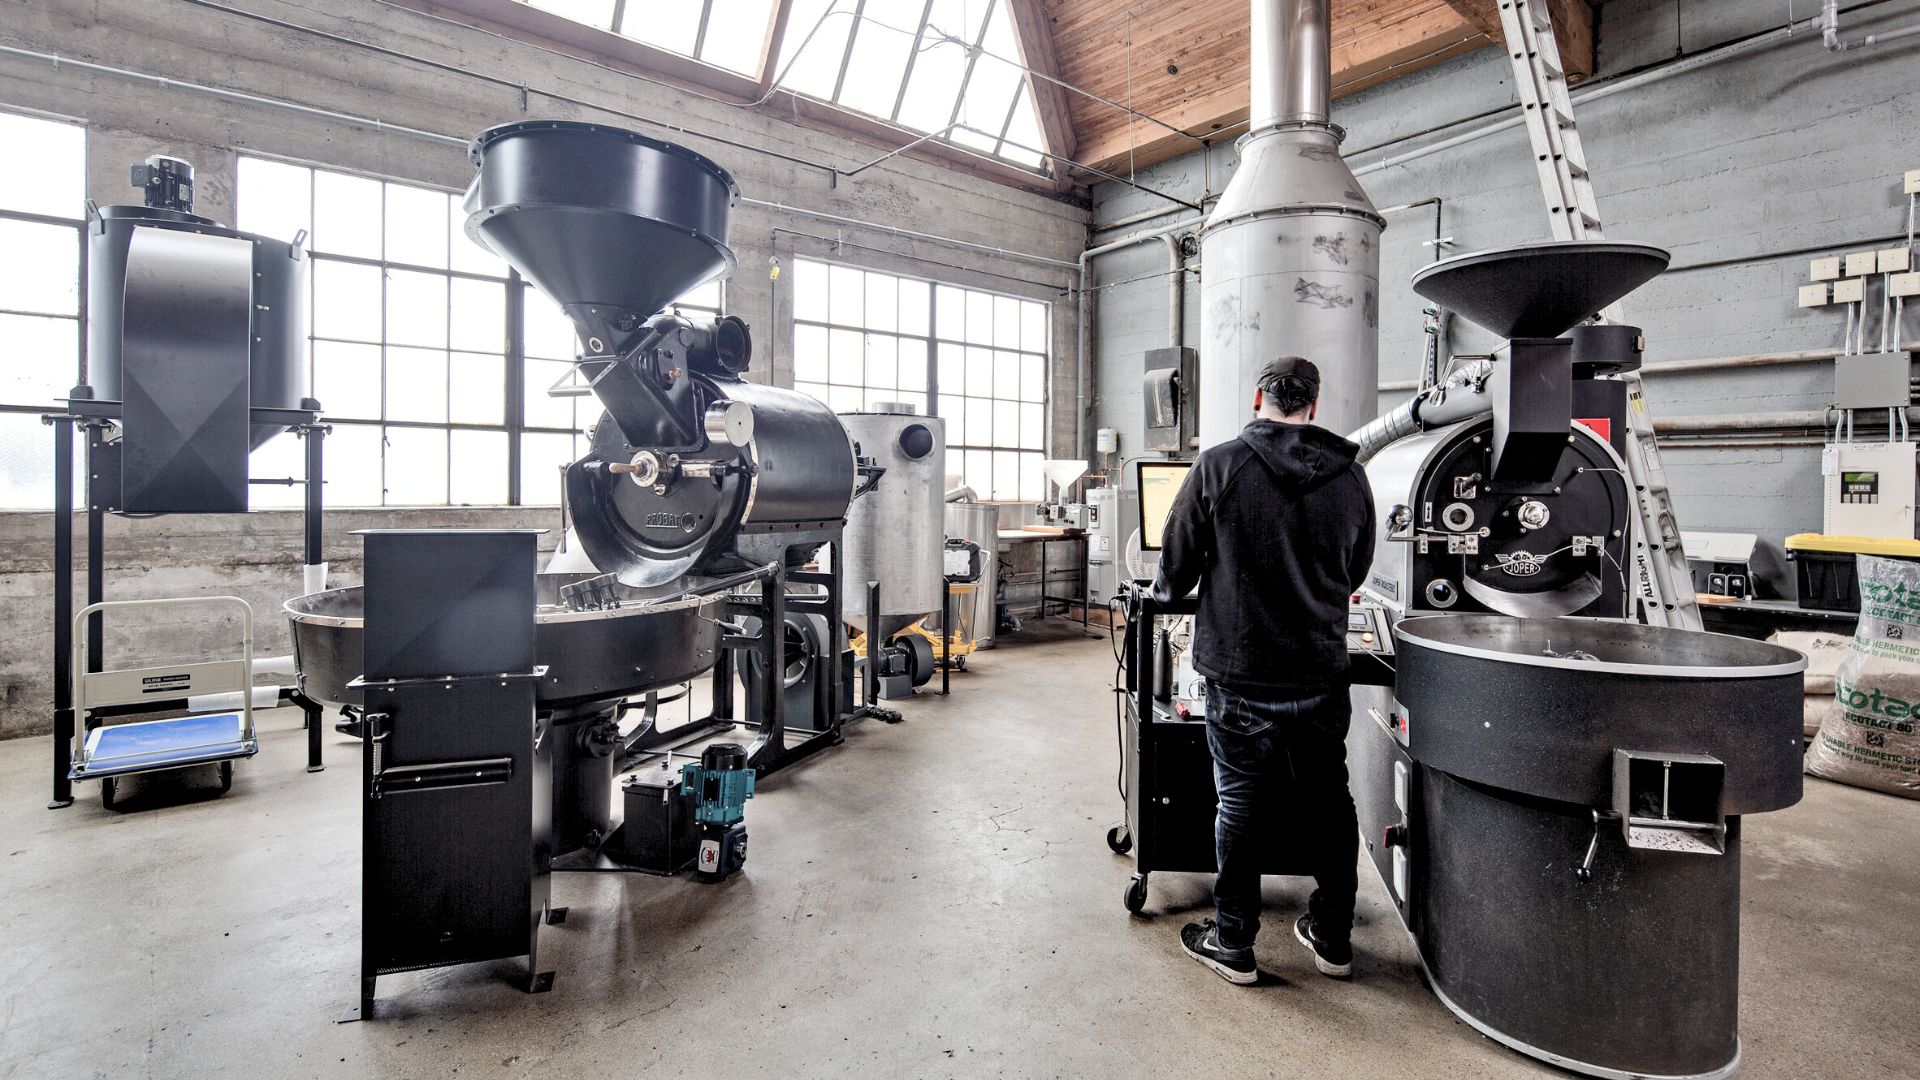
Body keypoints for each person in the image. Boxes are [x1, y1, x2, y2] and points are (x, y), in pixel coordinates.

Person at [1150, 355, 1375, 984]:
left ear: (1258, 399)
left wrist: (1179, 587)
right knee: (1330, 802)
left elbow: (1175, 572)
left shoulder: (1219, 465)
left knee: (1240, 804)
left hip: (1239, 672)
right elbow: (1355, 571)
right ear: (1315, 404)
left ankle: (1235, 941)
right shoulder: (1351, 476)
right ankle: (1332, 937)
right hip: (1320, 669)